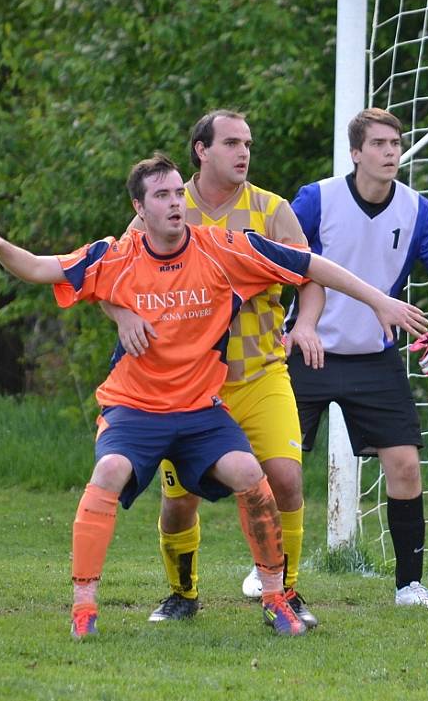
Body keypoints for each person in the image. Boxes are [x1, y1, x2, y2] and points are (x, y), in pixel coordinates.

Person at [0, 152, 428, 639]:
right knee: (111, 472)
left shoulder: (222, 249)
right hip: (135, 408)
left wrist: (378, 299)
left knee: (252, 473)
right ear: (140, 208)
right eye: (162, 195)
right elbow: (37, 268)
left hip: (201, 410)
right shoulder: (114, 256)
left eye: (179, 192)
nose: (176, 203)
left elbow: (310, 265)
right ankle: (84, 607)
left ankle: (275, 597)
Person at [100, 110, 325, 627]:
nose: (244, 152)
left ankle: (285, 593)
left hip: (262, 371)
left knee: (286, 478)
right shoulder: (166, 205)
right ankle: (183, 594)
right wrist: (124, 314)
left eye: (247, 143)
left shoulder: (271, 209)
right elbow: (107, 278)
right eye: (231, 143)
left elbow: (310, 277)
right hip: (190, 386)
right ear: (201, 150)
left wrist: (306, 324)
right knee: (180, 501)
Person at [287, 108, 428, 610]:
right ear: (356, 152)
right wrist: (280, 328)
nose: (392, 152)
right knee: (282, 469)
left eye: (397, 143)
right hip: (309, 352)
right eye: (381, 144)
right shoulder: (316, 200)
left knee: (406, 465)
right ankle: (272, 576)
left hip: (375, 359)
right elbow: (275, 265)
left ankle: (410, 586)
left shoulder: (415, 210)